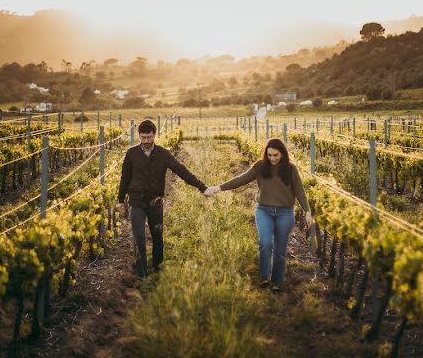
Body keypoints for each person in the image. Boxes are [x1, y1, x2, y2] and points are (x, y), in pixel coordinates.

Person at [204, 138, 313, 291]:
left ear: (282, 153)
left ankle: (277, 281)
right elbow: (240, 180)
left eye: (276, 155)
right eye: (269, 155)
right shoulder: (260, 167)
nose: (272, 158)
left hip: (285, 213)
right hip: (264, 211)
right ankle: (264, 277)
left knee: (280, 249)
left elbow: (300, 191)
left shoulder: (291, 169)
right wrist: (218, 188)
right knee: (265, 243)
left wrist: (307, 211)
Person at [117, 119, 209, 277]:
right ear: (139, 135)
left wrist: (202, 187)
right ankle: (142, 274)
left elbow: (182, 171)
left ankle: (158, 268)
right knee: (138, 236)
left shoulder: (163, 154)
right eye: (143, 137)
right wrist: (120, 200)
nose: (146, 141)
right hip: (136, 200)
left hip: (155, 201)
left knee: (157, 235)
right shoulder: (131, 153)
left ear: (154, 135)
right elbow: (125, 177)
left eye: (149, 137)